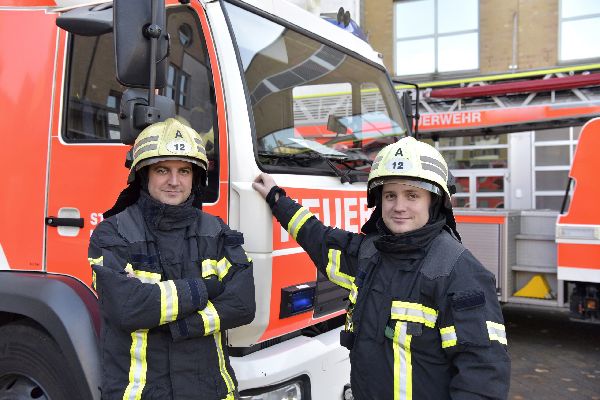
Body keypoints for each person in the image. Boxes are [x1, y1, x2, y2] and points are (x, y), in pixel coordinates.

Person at [253, 136, 510, 400]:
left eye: (412, 195)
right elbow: (316, 236)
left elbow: (482, 378)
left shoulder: (459, 273)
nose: (399, 207)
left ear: (433, 201)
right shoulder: (369, 254)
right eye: (390, 195)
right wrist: (276, 199)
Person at [88, 118, 255, 400]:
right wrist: (206, 288)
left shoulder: (216, 231)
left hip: (212, 392)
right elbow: (127, 307)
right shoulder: (112, 233)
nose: (174, 181)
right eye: (162, 169)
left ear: (195, 178)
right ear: (144, 175)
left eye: (184, 171)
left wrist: (179, 324)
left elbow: (242, 305)